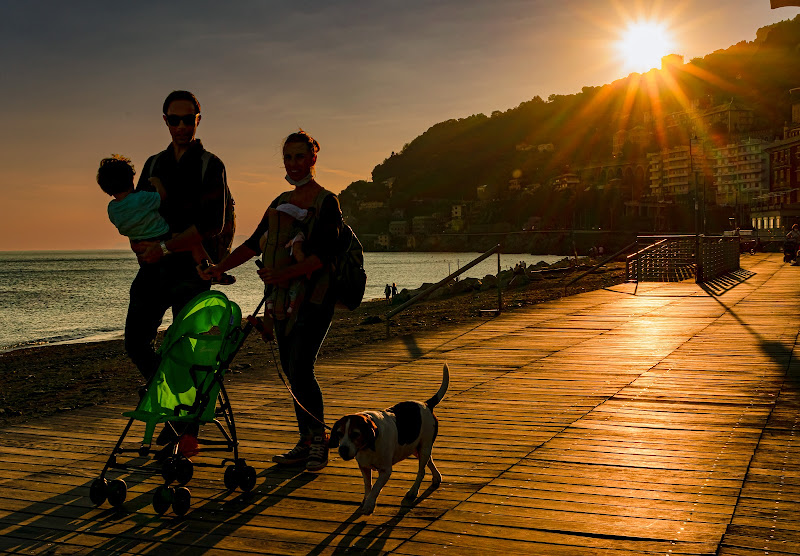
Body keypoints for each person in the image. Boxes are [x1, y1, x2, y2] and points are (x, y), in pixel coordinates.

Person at [202, 130, 342, 472]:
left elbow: (324, 256)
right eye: (288, 158)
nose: (293, 164)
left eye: (299, 156)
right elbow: (252, 245)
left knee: (301, 368)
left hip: (314, 300)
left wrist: (282, 276)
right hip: (279, 302)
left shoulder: (327, 201)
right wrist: (218, 267)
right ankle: (306, 440)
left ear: (313, 157)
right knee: (293, 373)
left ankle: (319, 444)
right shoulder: (278, 202)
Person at [123, 90, 233, 383]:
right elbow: (138, 215)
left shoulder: (211, 164)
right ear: (165, 121)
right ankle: (172, 393)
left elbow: (213, 223)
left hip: (192, 274)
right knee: (134, 344)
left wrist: (164, 247)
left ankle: (181, 420)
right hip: (154, 270)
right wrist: (138, 244)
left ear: (198, 120)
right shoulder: (153, 164)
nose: (181, 126)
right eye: (174, 120)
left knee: (188, 352)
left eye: (187, 119)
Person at [97, 155, 226, 271]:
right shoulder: (141, 198)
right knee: (193, 244)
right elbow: (162, 196)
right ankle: (212, 270)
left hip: (138, 243)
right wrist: (157, 183)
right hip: (163, 236)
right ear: (130, 180)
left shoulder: (112, 207)